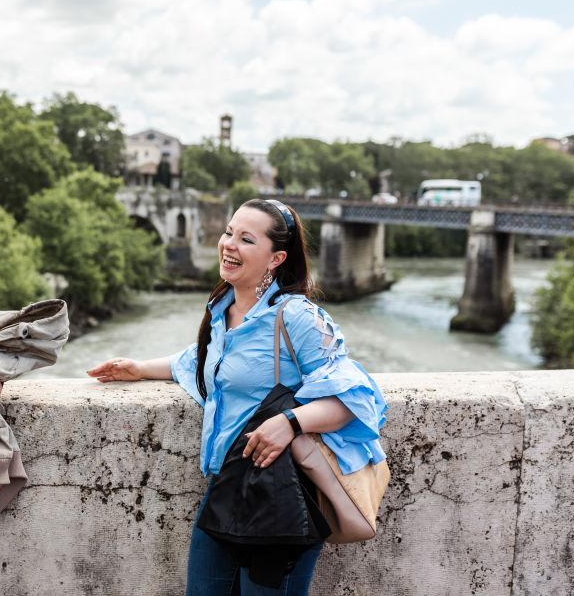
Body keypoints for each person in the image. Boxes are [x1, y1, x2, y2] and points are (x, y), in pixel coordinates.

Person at [87, 199, 387, 596]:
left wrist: (290, 423)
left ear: (276, 258)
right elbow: (206, 363)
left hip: (281, 494)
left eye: (246, 239)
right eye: (228, 232)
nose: (229, 244)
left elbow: (357, 397)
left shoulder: (296, 317)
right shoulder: (222, 310)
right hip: (224, 486)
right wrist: (141, 368)